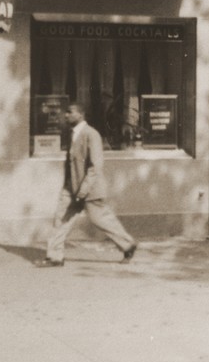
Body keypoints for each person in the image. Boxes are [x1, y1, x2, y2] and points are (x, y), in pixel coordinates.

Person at [37, 102, 138, 267]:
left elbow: (95, 165)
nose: (66, 115)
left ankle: (128, 244)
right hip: (71, 187)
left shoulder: (91, 134)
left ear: (81, 115)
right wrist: (69, 186)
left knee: (101, 220)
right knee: (60, 219)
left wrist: (83, 191)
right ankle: (55, 257)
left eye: (70, 112)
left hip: (89, 188)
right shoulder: (72, 134)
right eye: (66, 112)